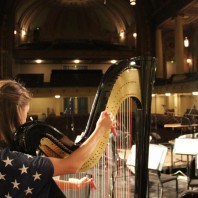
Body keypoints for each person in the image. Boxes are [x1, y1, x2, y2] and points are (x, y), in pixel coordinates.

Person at [0, 79, 115, 198]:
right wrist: (101, 128)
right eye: (26, 113)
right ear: (15, 113)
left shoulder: (8, 157)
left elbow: (33, 179)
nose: (25, 121)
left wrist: (72, 185)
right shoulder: (10, 158)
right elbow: (72, 165)